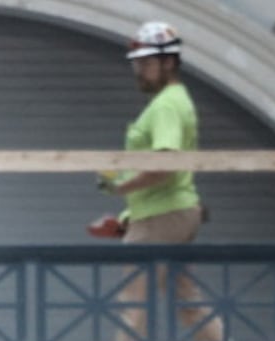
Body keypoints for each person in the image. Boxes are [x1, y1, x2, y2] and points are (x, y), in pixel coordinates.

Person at [87, 22, 203, 247]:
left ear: (168, 62)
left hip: (161, 215)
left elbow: (163, 167)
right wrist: (127, 220)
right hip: (165, 213)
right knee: (175, 284)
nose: (139, 71)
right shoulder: (174, 100)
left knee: (137, 282)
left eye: (146, 63)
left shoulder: (165, 106)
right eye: (136, 64)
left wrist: (119, 187)